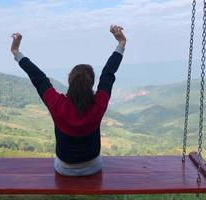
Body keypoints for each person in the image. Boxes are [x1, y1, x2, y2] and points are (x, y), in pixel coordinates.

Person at [11, 25, 126, 176]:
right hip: (93, 166)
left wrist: (16, 52)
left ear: (70, 81)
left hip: (64, 168)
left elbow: (38, 78)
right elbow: (108, 73)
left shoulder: (57, 104)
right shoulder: (98, 103)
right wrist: (121, 43)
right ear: (91, 83)